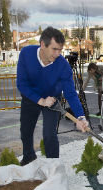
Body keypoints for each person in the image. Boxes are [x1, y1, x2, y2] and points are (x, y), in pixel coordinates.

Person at [17, 26, 89, 166]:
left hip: (52, 100)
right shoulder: (26, 53)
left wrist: (80, 116)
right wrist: (41, 100)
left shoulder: (63, 65)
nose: (57, 54)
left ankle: (53, 165)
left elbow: (70, 93)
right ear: (43, 45)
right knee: (26, 130)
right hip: (31, 97)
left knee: (50, 134)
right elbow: (21, 84)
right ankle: (29, 157)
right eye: (54, 49)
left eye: (60, 50)